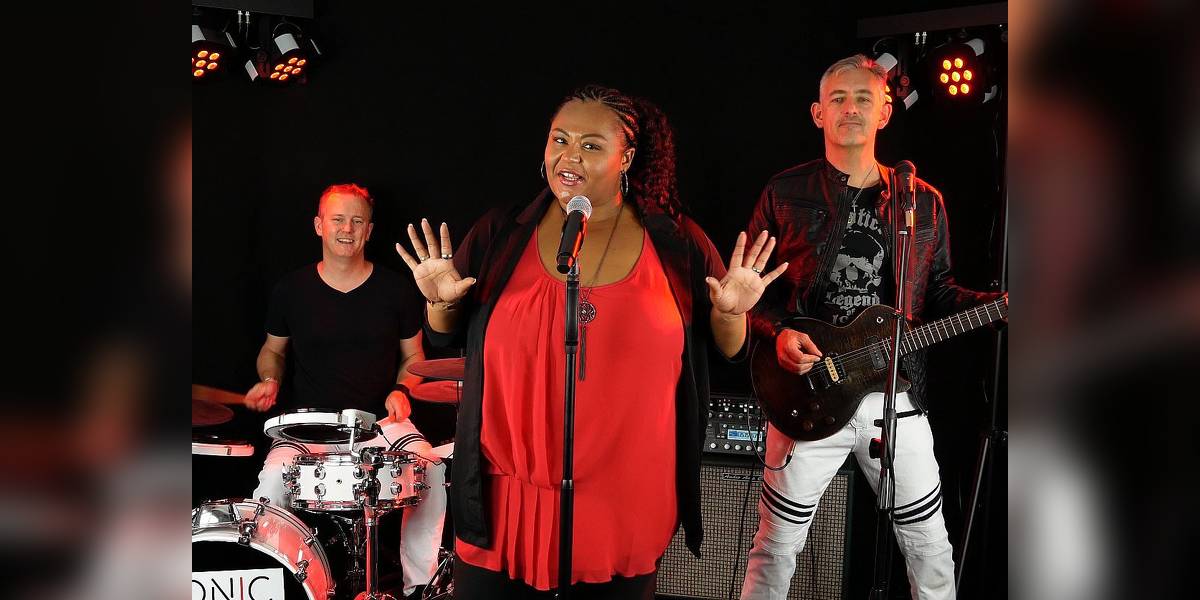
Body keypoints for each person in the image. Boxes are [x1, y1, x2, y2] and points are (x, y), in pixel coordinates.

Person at [394, 84, 787, 599]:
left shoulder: (677, 244)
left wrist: (731, 313)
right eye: (559, 139)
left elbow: (730, 352)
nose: (569, 155)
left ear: (627, 157)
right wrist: (440, 302)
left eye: (591, 145)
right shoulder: (502, 233)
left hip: (622, 500)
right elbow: (443, 334)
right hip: (503, 498)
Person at [739, 55, 1005, 600]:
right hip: (807, 392)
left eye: (864, 98)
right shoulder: (785, 192)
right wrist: (777, 333)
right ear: (818, 113)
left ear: (885, 112)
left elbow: (939, 292)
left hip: (894, 395)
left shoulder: (921, 201)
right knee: (775, 548)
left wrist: (999, 305)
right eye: (837, 98)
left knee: (930, 547)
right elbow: (744, 291)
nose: (851, 108)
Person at [244, 183, 447, 598]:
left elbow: (414, 356)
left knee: (430, 467)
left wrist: (402, 389)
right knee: (272, 484)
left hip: (379, 423)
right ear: (319, 225)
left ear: (369, 230)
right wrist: (270, 379)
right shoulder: (290, 290)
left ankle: (418, 588)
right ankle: (289, 587)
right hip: (308, 429)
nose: (347, 229)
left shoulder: (396, 290)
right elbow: (272, 351)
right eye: (338, 219)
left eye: (357, 221)